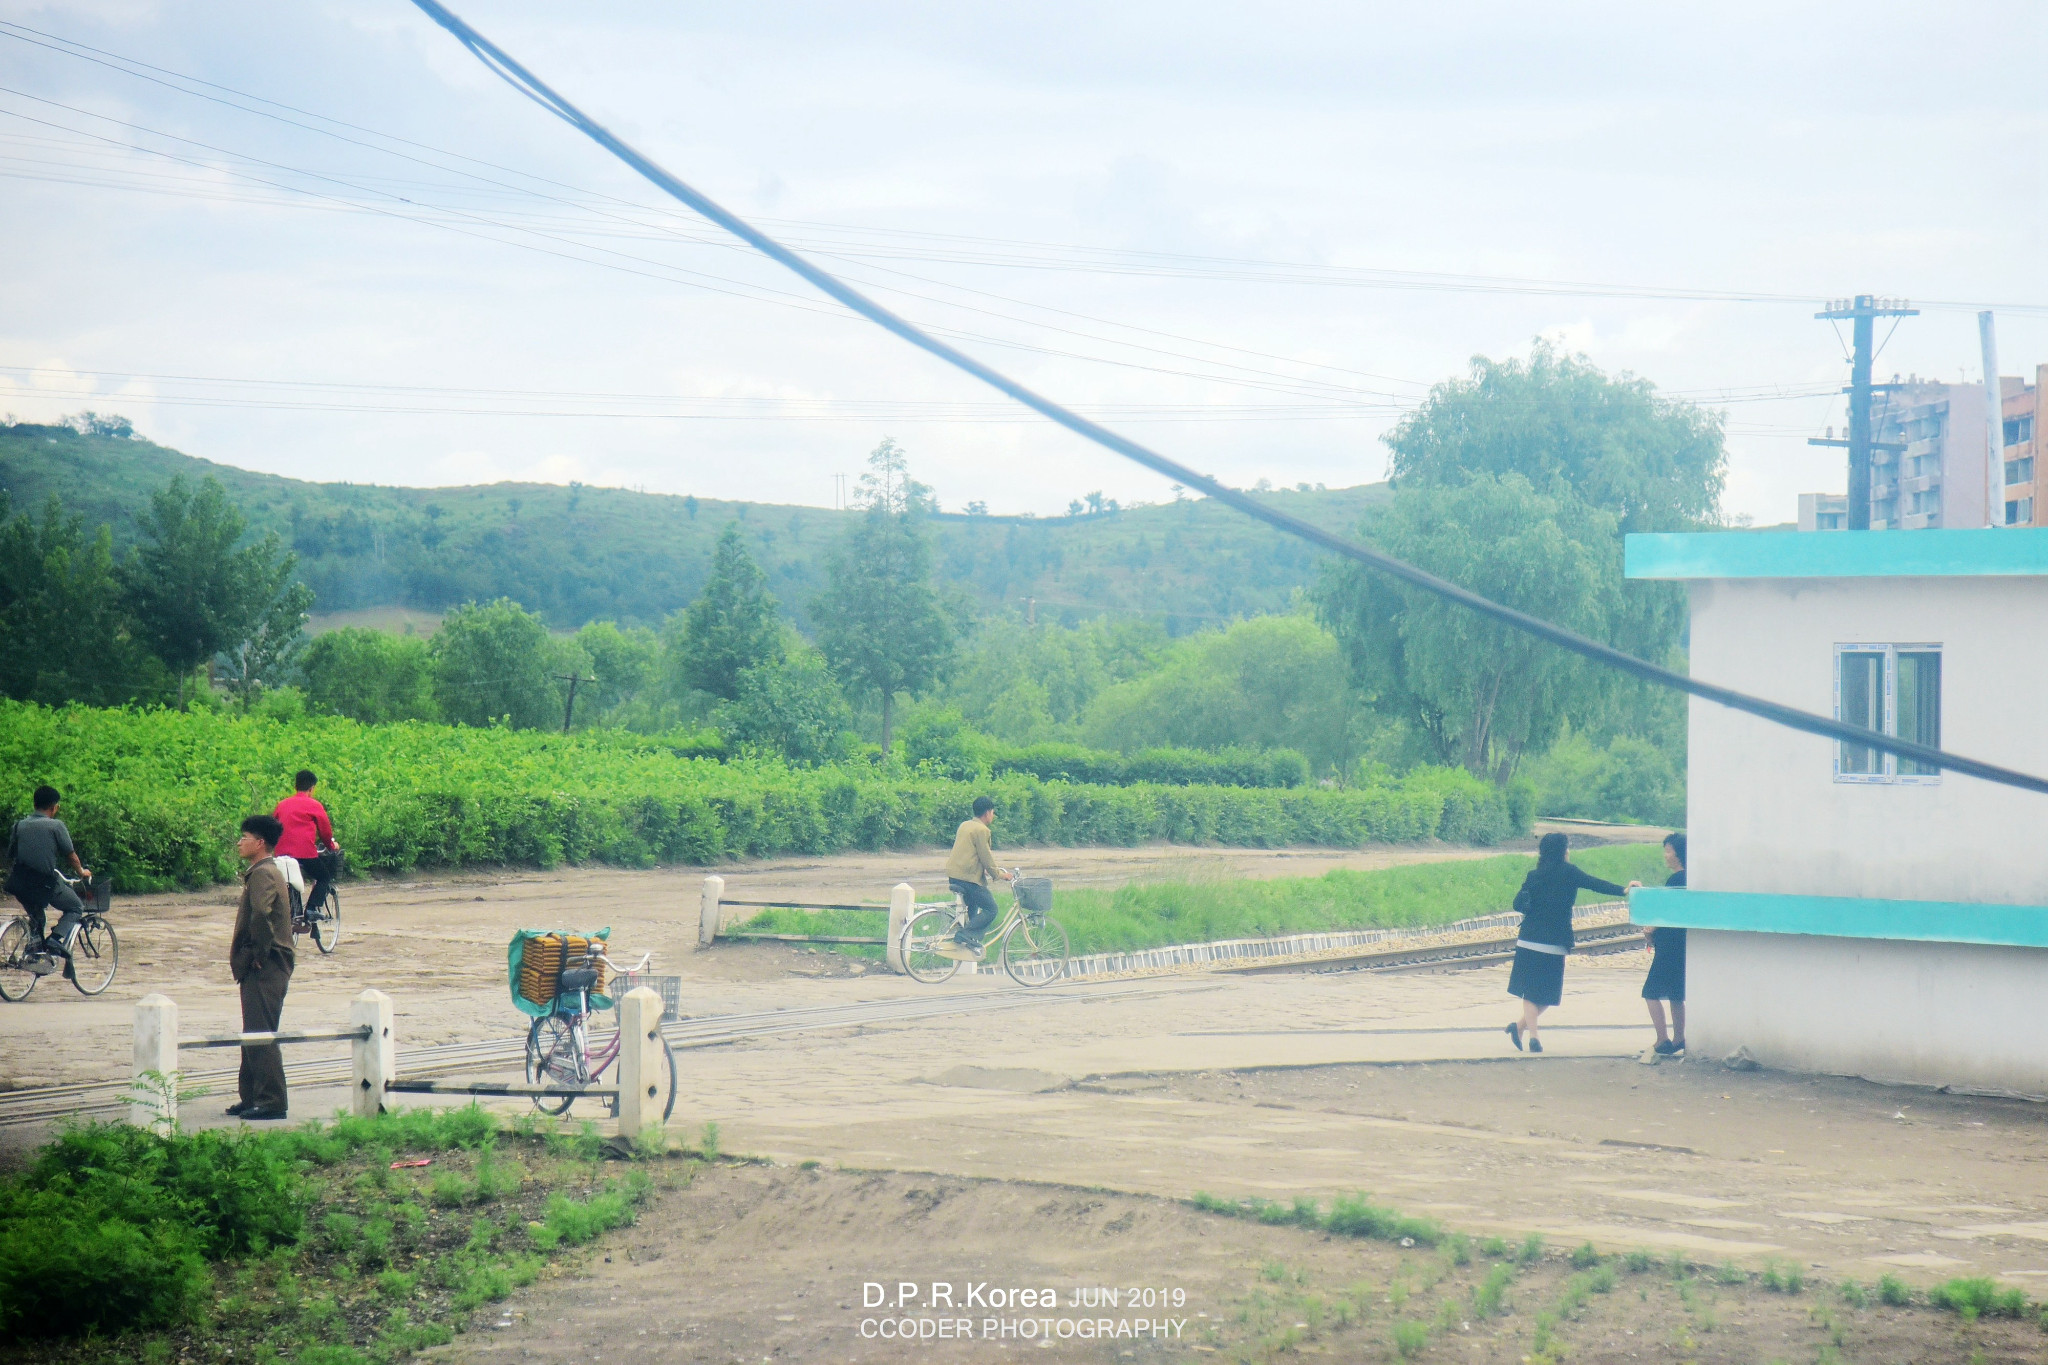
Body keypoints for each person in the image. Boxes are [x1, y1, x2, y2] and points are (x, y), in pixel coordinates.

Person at [1505, 832, 1641, 1053]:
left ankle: (1521, 1028)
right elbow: (1594, 883)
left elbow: (1520, 901)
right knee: (1548, 994)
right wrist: (1623, 890)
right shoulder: (1569, 872)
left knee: (1530, 992)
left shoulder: (1534, 875)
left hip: (1529, 939)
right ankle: (1533, 1037)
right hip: (1555, 941)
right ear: (1563, 851)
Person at [230, 814, 296, 1120]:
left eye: (244, 837)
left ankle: (271, 1101)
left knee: (261, 1032)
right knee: (252, 1030)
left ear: (260, 843)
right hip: (263, 961)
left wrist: (257, 951)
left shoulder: (263, 874)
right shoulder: (263, 871)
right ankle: (251, 1096)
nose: (239, 842)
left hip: (267, 963)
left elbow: (262, 914)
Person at [4, 785, 91, 979]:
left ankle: (34, 953)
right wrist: (81, 871)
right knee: (76, 907)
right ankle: (55, 940)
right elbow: (71, 855)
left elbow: (11, 855)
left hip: (19, 883)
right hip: (44, 883)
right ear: (54, 807)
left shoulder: (18, 825)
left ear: (35, 804)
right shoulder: (56, 826)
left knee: (38, 919)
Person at [942, 796, 1013, 959]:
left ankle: (970, 943)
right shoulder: (982, 830)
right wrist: (1001, 875)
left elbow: (969, 853)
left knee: (973, 908)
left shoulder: (965, 825)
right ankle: (965, 935)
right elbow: (986, 857)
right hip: (968, 879)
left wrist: (984, 869)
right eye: (993, 812)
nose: (993, 816)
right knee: (991, 909)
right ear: (988, 813)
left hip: (954, 875)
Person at [1641, 831, 1688, 1055]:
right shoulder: (1689, 878)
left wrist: (1651, 929)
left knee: (1651, 992)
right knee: (1676, 994)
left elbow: (1667, 911)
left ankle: (1662, 1039)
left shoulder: (1677, 880)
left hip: (1669, 946)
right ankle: (1679, 1038)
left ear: (1678, 854)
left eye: (1668, 850)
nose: (1665, 855)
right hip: (1682, 944)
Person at [273, 769, 341, 916]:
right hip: (305, 854)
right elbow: (325, 832)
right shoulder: (314, 805)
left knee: (290, 878)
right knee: (324, 877)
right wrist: (331, 846)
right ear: (311, 788)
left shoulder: (282, 805)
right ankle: (311, 908)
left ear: (295, 786)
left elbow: (273, 827)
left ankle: (295, 913)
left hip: (282, 854)